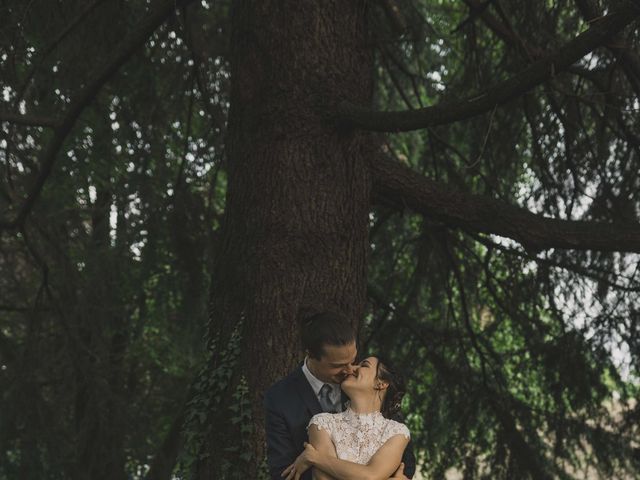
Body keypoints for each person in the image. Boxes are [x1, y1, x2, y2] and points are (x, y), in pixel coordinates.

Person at [264, 311, 415, 480]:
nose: (350, 369)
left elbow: (405, 460)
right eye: (338, 365)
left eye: (353, 360)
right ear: (311, 355)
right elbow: (283, 472)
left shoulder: (363, 383)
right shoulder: (280, 398)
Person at [282, 356, 410, 480]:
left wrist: (315, 458)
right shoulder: (321, 423)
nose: (351, 368)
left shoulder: (397, 432)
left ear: (381, 383)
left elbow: (371, 476)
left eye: (364, 365)